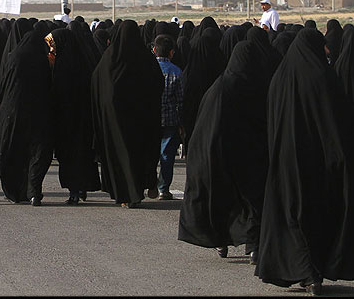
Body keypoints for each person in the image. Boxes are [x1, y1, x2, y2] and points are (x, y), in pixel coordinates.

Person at [255, 29, 354, 295]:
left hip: (286, 163)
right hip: (321, 164)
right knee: (318, 216)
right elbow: (339, 124)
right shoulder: (324, 78)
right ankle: (313, 271)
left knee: (292, 215)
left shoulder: (279, 79)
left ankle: (306, 273)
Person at [179, 41, 268, 264]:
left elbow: (203, 127)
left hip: (215, 155)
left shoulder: (218, 88)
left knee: (221, 199)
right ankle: (253, 246)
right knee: (251, 201)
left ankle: (221, 241)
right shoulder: (256, 87)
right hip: (248, 157)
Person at [91, 20, 164, 208]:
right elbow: (157, 85)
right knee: (138, 153)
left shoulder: (108, 61)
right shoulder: (146, 60)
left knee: (119, 155)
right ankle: (138, 190)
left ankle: (123, 194)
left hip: (114, 122)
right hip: (141, 120)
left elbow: (97, 88)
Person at [0, 29, 54, 205]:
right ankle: (34, 191)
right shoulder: (41, 59)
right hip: (39, 112)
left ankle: (15, 190)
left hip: (14, 112)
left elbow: (6, 84)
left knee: (15, 150)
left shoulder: (14, 57)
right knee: (38, 152)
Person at [47, 28, 101, 205]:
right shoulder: (85, 62)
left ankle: (74, 191)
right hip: (83, 120)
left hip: (67, 121)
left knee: (70, 156)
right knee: (82, 155)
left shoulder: (63, 66)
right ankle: (81, 187)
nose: (52, 49)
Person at [151, 34, 183, 200]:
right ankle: (163, 188)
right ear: (171, 52)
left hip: (150, 119)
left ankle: (150, 184)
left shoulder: (147, 69)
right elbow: (181, 99)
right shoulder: (177, 72)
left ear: (154, 50)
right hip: (170, 119)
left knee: (149, 153)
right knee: (167, 155)